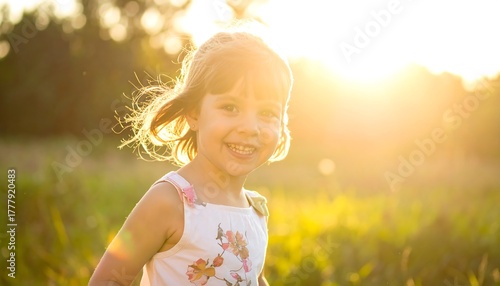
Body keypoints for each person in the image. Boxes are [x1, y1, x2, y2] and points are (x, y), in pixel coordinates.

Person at [89, 25, 293, 286]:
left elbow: (255, 278)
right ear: (194, 113)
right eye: (230, 107)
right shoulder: (169, 201)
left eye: (267, 113)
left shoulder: (256, 211)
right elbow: (107, 280)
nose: (250, 128)